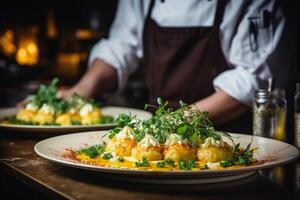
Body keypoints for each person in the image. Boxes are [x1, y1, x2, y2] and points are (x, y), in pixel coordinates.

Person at [58, 0, 295, 133]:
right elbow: (122, 44)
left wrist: (173, 123)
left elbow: (254, 79)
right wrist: (79, 93)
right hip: (158, 133)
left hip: (227, 135)